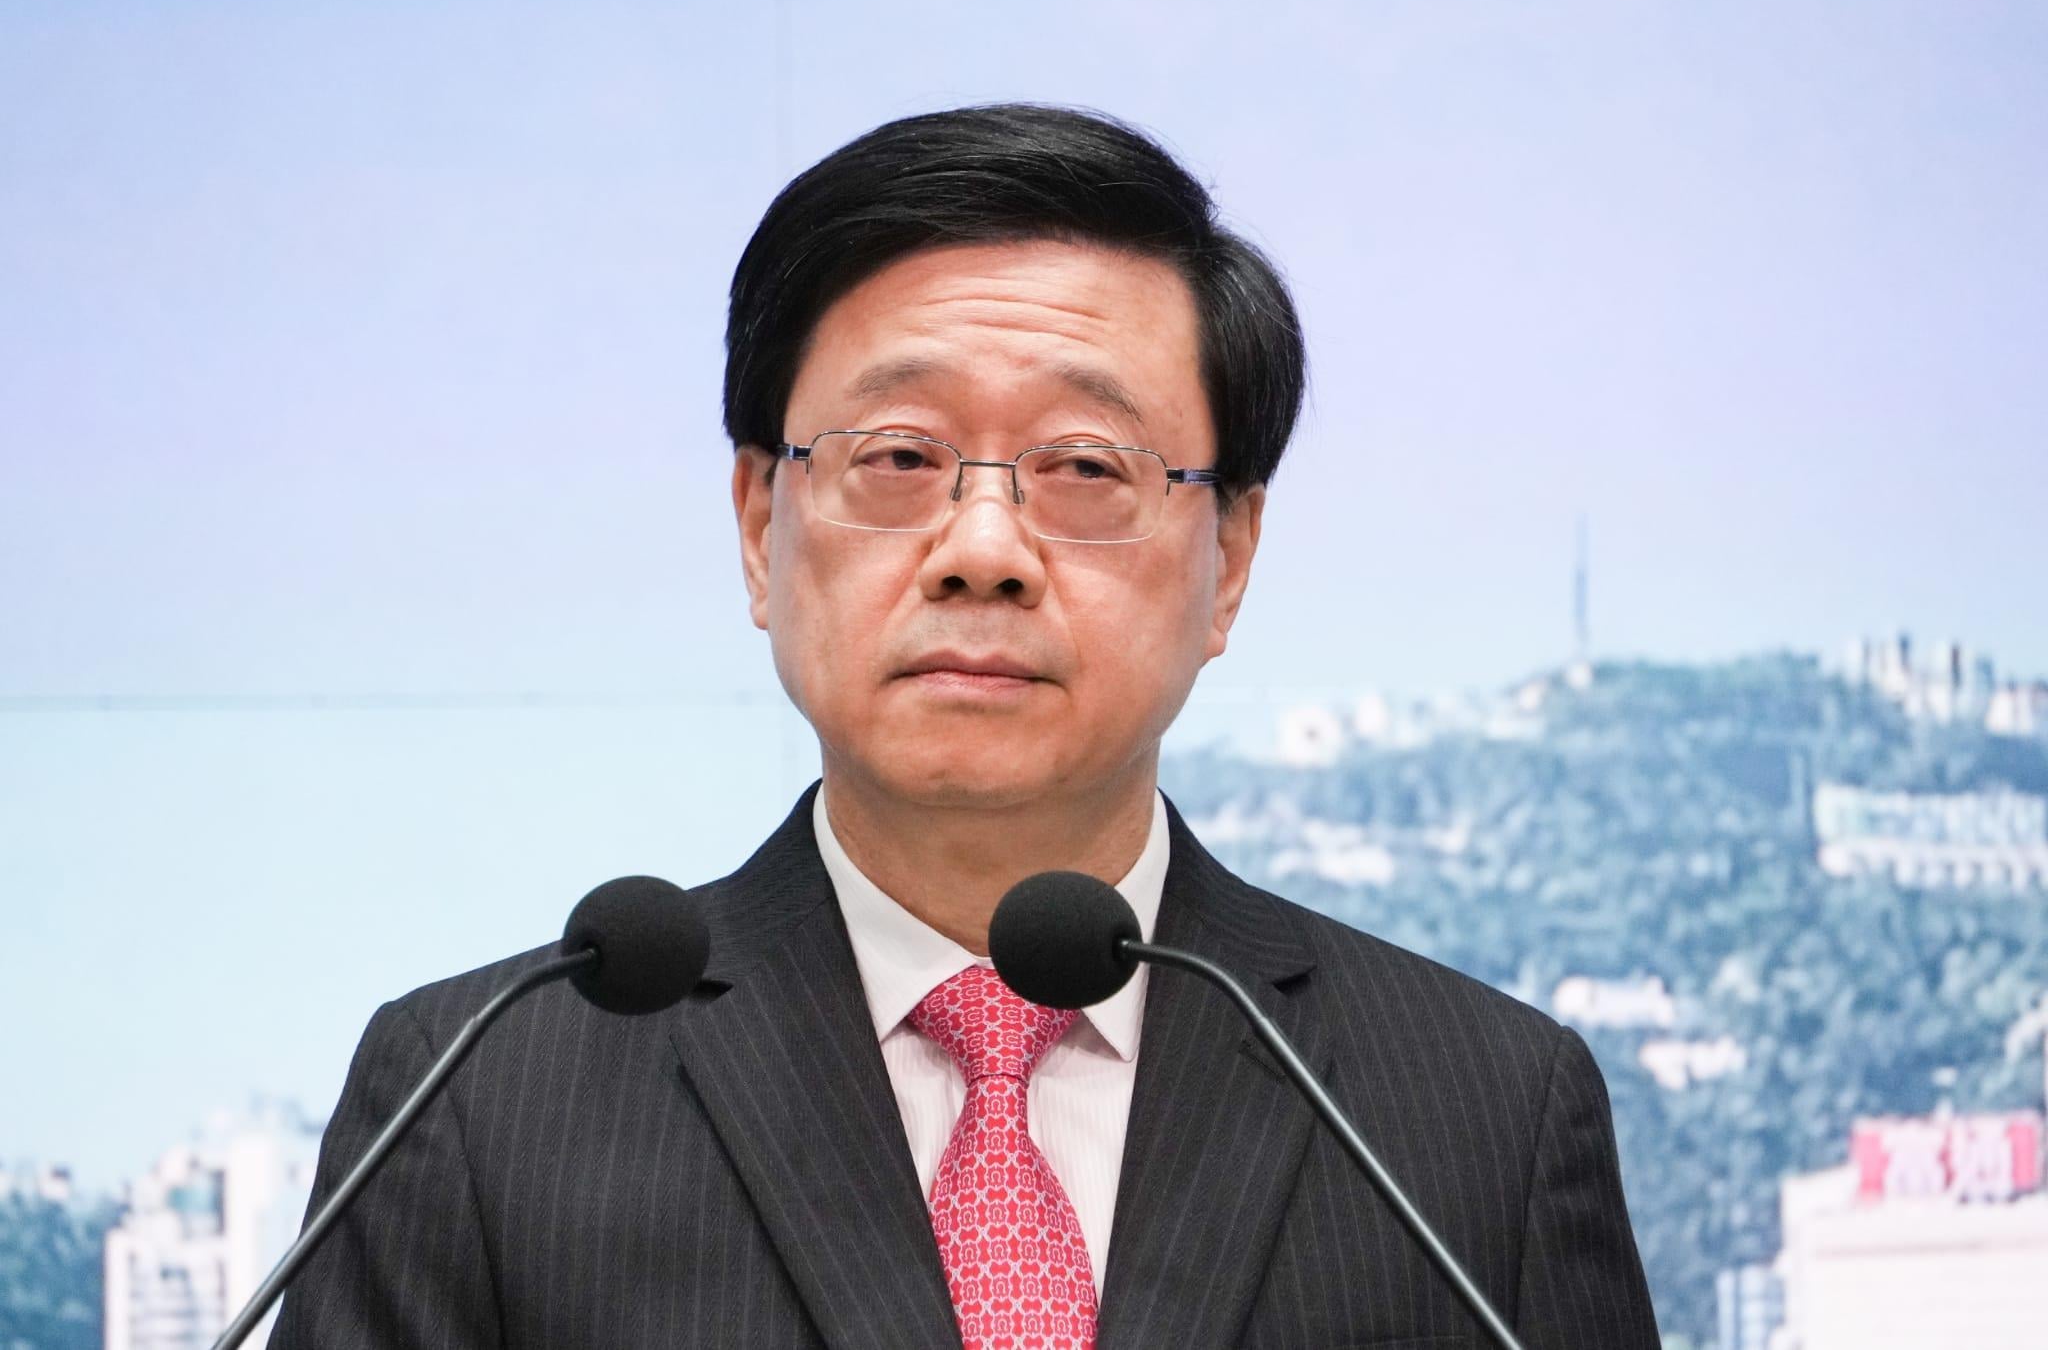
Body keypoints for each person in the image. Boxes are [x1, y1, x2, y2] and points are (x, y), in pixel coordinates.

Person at [274, 104, 1658, 1349]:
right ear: (760, 527)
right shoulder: (478, 1099)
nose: (982, 549)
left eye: (1085, 466)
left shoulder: (1479, 1113)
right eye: (897, 457)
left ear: (1230, 559)